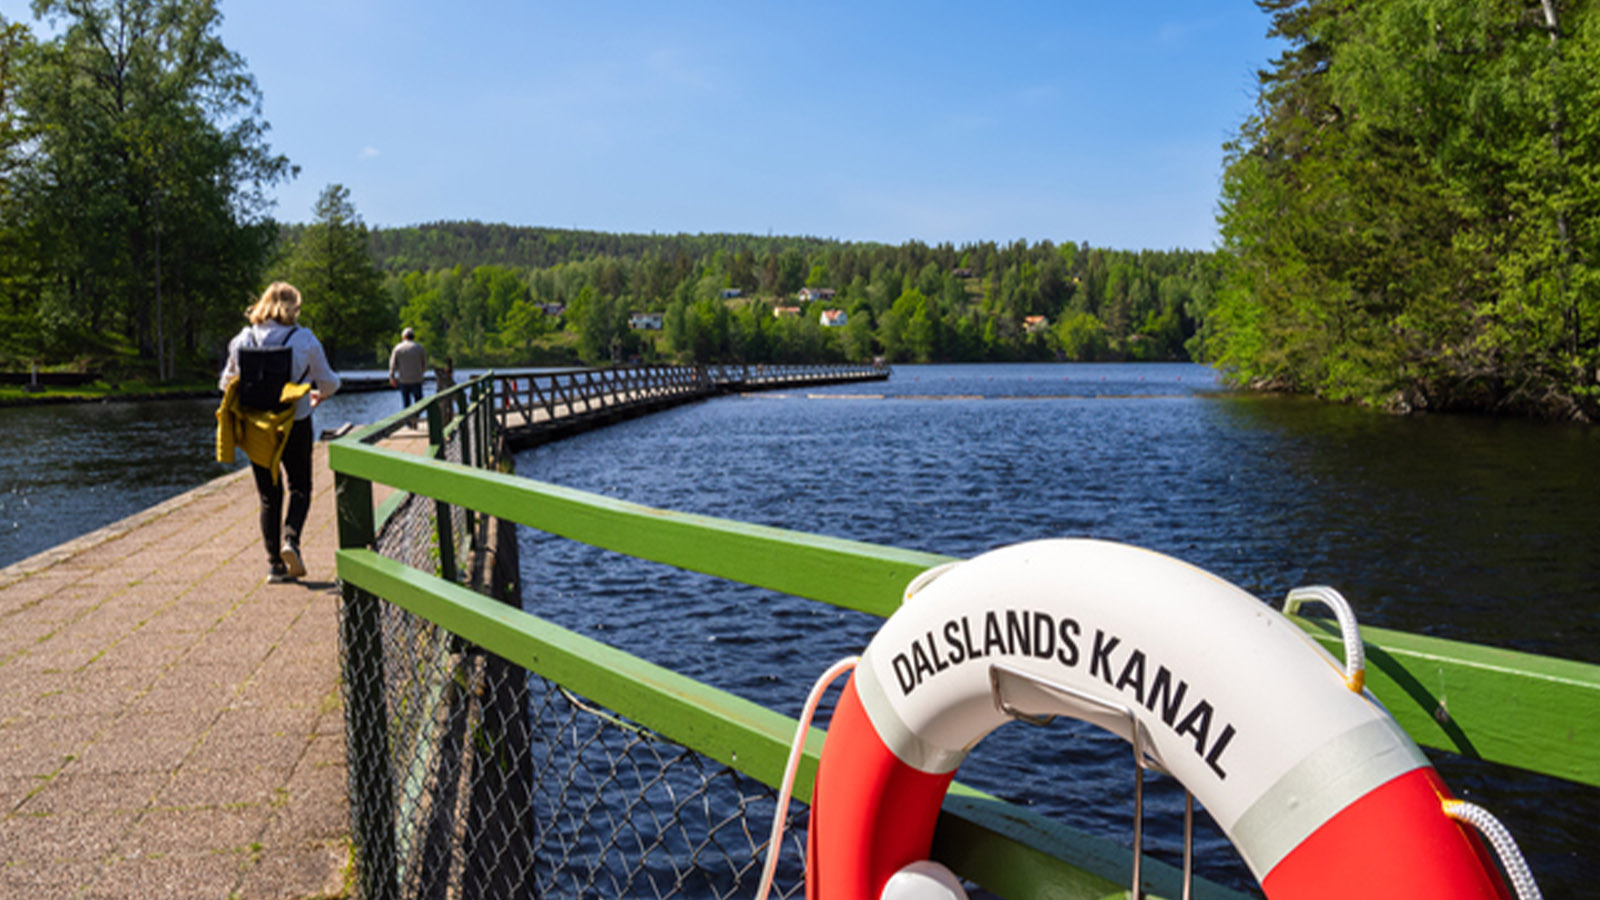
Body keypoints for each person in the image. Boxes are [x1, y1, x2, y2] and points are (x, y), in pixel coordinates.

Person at [218, 282, 341, 583]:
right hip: (295, 421)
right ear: (293, 307)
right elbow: (329, 382)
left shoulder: (243, 339)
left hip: (258, 426)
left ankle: (274, 565)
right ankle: (291, 540)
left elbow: (225, 383)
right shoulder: (304, 338)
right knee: (300, 486)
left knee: (268, 495)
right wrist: (318, 393)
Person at [389, 327, 428, 423]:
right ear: (413, 336)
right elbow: (425, 364)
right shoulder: (420, 348)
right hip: (417, 379)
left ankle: (408, 422)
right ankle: (415, 417)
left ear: (403, 337)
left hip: (403, 380)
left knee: (406, 403)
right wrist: (421, 373)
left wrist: (392, 377)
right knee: (419, 403)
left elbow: (392, 364)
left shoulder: (398, 348)